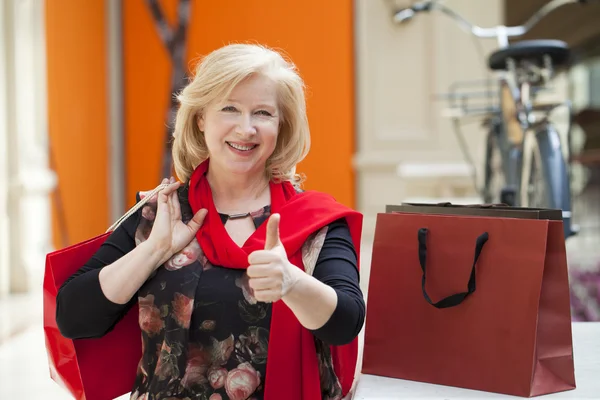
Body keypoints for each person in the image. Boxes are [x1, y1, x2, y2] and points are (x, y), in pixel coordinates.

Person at [56, 43, 365, 400]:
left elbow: (346, 324)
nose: (246, 129)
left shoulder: (315, 222)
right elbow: (73, 318)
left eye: (263, 113)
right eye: (230, 108)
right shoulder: (162, 212)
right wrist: (154, 251)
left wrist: (292, 283)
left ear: (282, 125)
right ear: (201, 118)